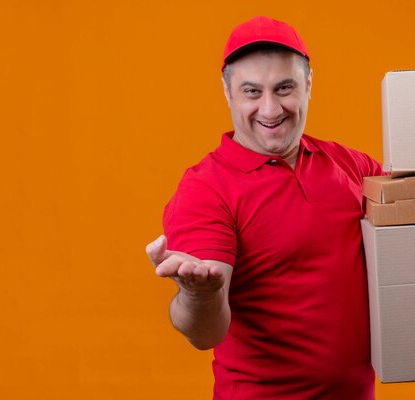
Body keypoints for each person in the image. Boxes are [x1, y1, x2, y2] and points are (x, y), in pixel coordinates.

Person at [146, 16, 384, 399]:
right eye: (252, 92)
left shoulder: (351, 165)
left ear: (309, 84)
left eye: (284, 88)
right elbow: (205, 334)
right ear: (228, 94)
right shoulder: (206, 189)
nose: (271, 109)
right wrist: (199, 295)